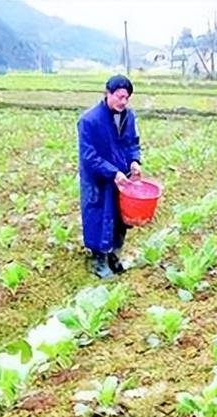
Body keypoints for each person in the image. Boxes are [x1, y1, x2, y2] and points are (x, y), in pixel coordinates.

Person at [77, 74, 142, 279]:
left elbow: (132, 143)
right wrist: (112, 172)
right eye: (119, 97)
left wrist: (134, 161)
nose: (123, 102)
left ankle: (113, 255)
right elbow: (89, 156)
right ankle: (98, 259)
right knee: (98, 216)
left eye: (126, 98)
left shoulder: (128, 117)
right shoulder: (89, 120)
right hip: (98, 178)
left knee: (119, 219)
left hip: (122, 177)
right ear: (108, 94)